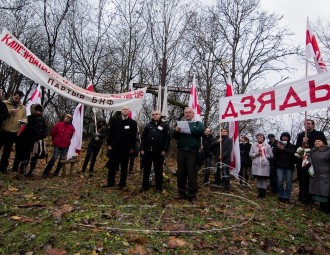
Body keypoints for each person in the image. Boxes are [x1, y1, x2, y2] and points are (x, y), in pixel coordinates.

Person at [172, 107, 204, 203]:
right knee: (181, 172)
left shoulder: (198, 123)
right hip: (181, 151)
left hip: (192, 152)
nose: (187, 114)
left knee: (191, 173)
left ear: (193, 114)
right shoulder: (180, 123)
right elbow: (174, 136)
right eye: (186, 113)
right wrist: (177, 130)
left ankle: (192, 195)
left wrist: (189, 128)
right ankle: (181, 193)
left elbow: (200, 132)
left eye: (189, 112)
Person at [105, 106, 137, 189]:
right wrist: (108, 144)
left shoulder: (133, 123)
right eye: (123, 109)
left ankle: (122, 184)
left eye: (127, 109)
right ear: (121, 111)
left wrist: (132, 148)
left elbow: (133, 137)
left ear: (129, 111)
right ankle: (110, 182)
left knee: (124, 167)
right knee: (112, 166)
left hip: (126, 149)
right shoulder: (115, 120)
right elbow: (110, 134)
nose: (125, 110)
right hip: (114, 147)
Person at [295, 119, 326, 204]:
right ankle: (302, 197)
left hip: (313, 161)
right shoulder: (301, 135)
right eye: (305, 124)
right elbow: (297, 147)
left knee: (311, 180)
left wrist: (308, 143)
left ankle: (312, 198)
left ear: (313, 125)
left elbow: (321, 145)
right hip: (302, 161)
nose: (306, 125)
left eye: (308, 124)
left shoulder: (318, 134)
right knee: (302, 179)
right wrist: (302, 142)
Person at [140, 110, 171, 192]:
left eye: (156, 114)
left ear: (160, 115)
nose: (155, 116)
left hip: (159, 152)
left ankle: (158, 187)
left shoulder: (165, 125)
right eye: (153, 114)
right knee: (146, 169)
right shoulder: (148, 125)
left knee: (158, 170)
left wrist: (165, 149)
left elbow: (167, 139)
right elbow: (143, 137)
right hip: (147, 151)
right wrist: (142, 148)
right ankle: (145, 186)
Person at [12, 104, 48, 175]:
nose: (38, 112)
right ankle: (23, 169)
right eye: (36, 110)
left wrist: (43, 135)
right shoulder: (29, 118)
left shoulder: (43, 119)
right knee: (26, 155)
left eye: (39, 110)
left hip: (38, 141)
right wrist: (38, 133)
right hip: (28, 140)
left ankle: (31, 170)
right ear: (33, 110)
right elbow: (30, 127)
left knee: (35, 155)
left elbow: (45, 128)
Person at [0, 90, 26, 173]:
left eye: (19, 99)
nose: (18, 100)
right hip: (3, 130)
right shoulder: (5, 103)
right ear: (13, 95)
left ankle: (3, 167)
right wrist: (9, 112)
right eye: (16, 98)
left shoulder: (23, 107)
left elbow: (25, 117)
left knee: (7, 151)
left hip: (14, 131)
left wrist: (24, 121)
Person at [273, 132, 296, 203]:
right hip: (280, 166)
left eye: (286, 137)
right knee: (280, 181)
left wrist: (283, 149)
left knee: (288, 182)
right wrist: (278, 147)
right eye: (283, 137)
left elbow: (293, 154)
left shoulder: (292, 146)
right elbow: (275, 154)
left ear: (288, 138)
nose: (285, 138)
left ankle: (287, 196)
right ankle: (281, 195)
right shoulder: (278, 145)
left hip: (289, 166)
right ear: (281, 138)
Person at [309, 136, 330, 213]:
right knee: (319, 191)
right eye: (315, 141)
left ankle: (327, 209)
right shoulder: (312, 151)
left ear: (323, 142)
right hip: (316, 175)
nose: (317, 142)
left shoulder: (328, 151)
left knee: (326, 191)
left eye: (319, 141)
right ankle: (322, 207)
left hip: (326, 175)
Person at [249, 133, 273, 198]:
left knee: (264, 179)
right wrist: (256, 154)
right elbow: (250, 154)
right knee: (259, 179)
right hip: (256, 164)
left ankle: (264, 193)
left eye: (261, 137)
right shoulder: (253, 146)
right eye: (258, 137)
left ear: (263, 138)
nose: (259, 138)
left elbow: (271, 156)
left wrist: (264, 154)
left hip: (264, 165)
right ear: (256, 138)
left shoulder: (268, 146)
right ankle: (260, 193)